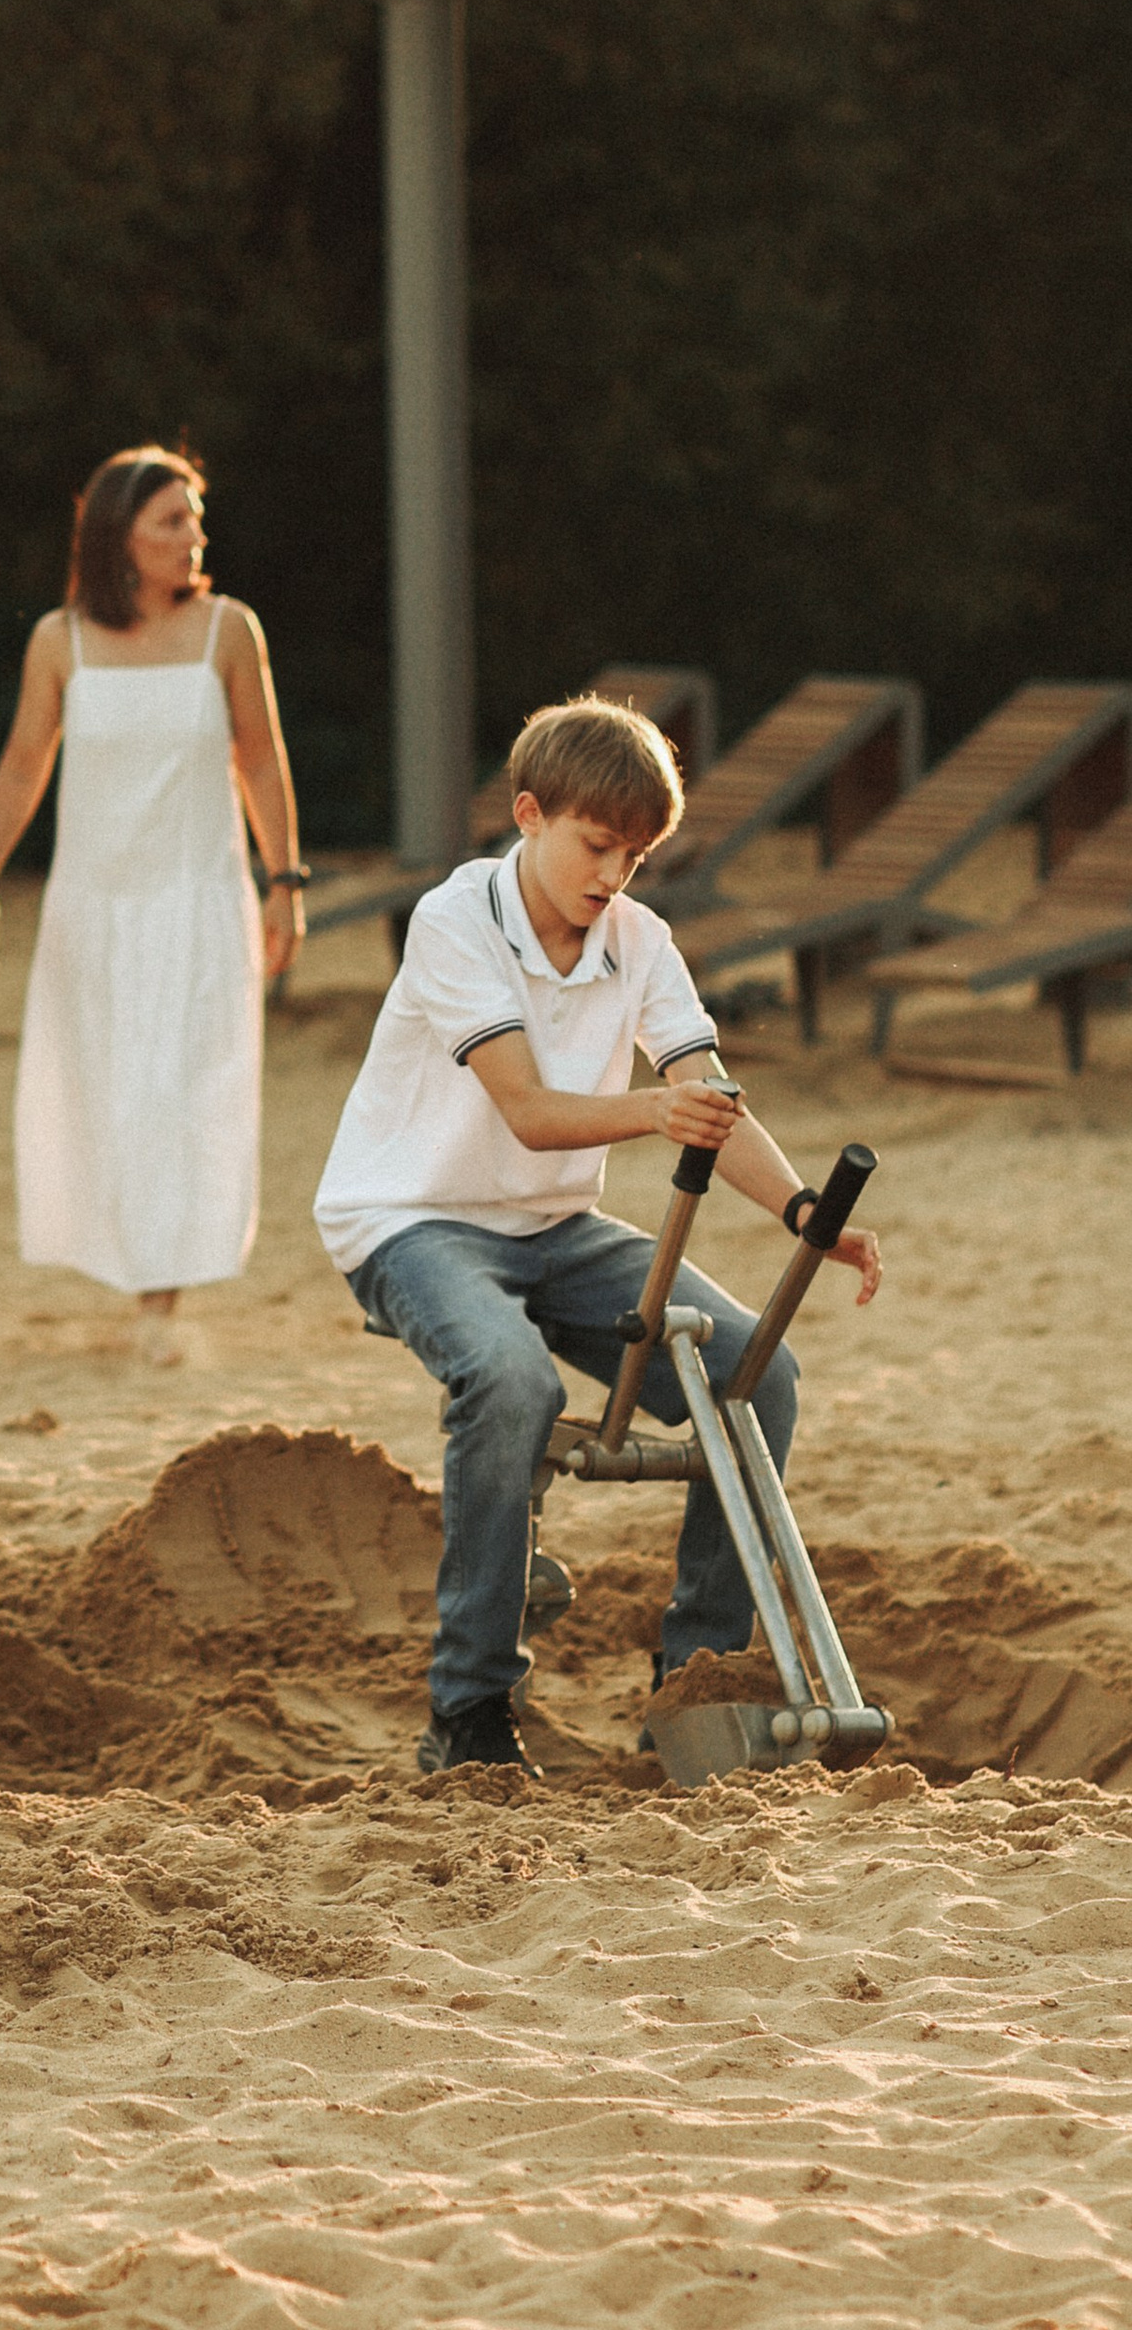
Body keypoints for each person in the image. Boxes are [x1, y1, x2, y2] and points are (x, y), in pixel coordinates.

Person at [313, 695, 885, 1774]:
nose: (612, 873)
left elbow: (707, 1090)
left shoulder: (638, 938)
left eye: (635, 854)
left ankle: (695, 1688)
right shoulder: (453, 920)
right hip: (409, 1218)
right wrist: (656, 1113)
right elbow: (528, 1111)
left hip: (553, 1225)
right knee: (511, 1380)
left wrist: (807, 1215)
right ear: (528, 815)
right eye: (595, 843)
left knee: (760, 1374)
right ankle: (470, 1712)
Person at [0, 446, 309, 1362]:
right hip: (96, 904)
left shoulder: (230, 629)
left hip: (198, 899)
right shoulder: (59, 638)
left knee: (186, 1089)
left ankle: (163, 1296)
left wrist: (286, 883)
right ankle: (130, 1266)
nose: (194, 534)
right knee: (108, 1091)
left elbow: (263, 760)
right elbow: (25, 761)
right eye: (172, 520)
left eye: (196, 517)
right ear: (120, 536)